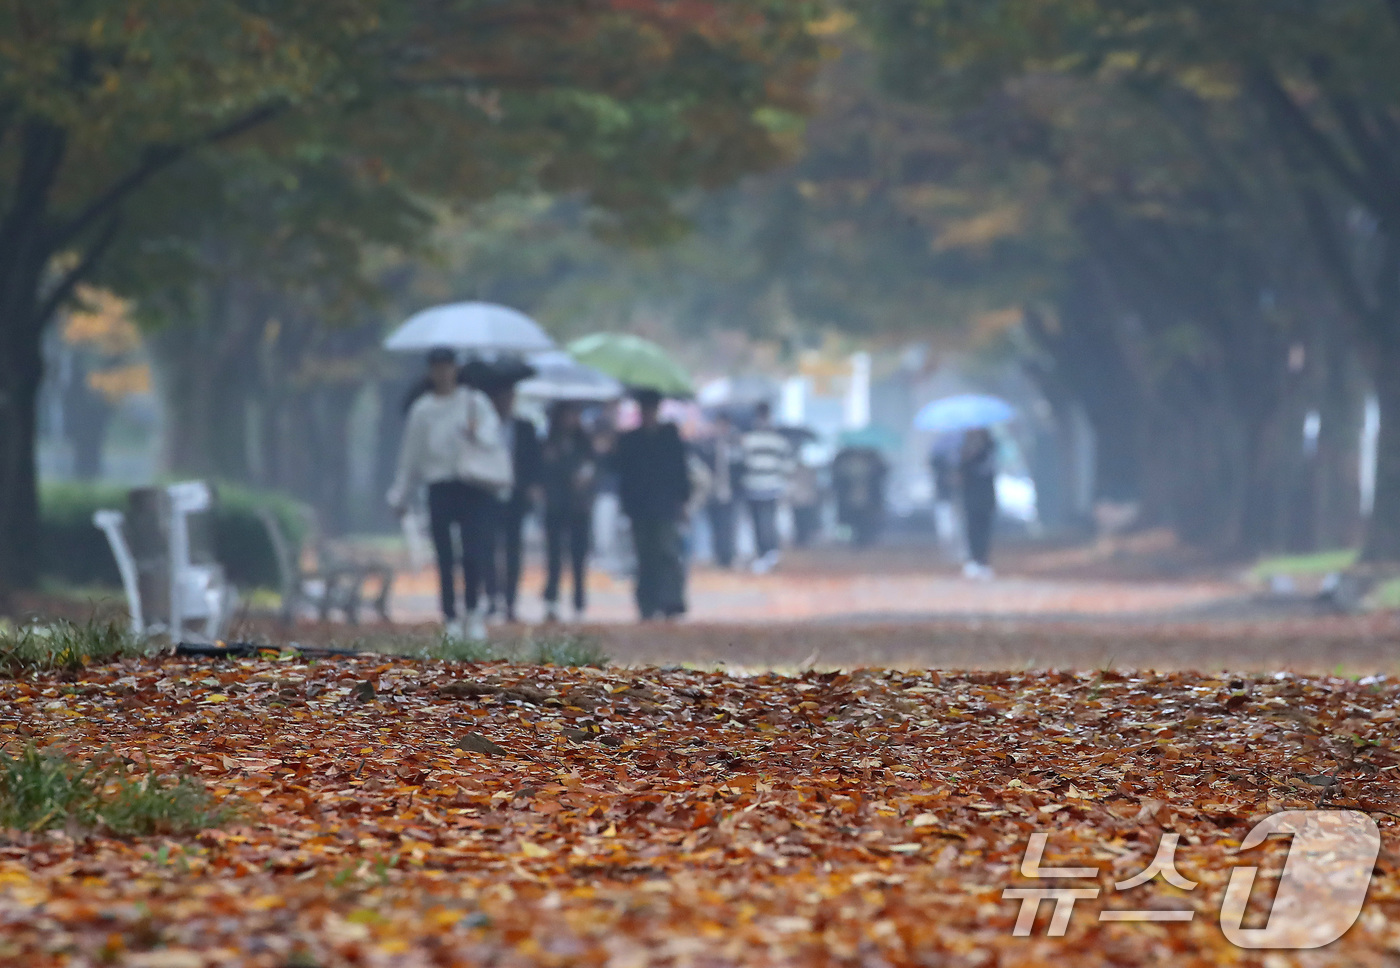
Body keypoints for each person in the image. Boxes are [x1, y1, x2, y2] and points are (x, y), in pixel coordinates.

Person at [387, 348, 511, 640]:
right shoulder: (423, 409)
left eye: (448, 366)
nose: (443, 373)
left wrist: (475, 432)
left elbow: (492, 435)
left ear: (456, 368)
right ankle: (450, 615)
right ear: (431, 371)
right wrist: (401, 495)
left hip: (472, 486)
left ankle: (472, 612)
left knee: (473, 552)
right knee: (444, 554)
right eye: (437, 367)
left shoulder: (474, 401)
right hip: (439, 487)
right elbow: (411, 457)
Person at [614, 389, 691, 620]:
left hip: (665, 505)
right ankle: (647, 603)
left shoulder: (669, 436)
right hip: (640, 506)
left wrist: (682, 500)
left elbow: (680, 471)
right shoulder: (630, 440)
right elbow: (621, 471)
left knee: (667, 552)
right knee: (644, 556)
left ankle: (670, 601)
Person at [486, 381, 542, 623]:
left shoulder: (525, 427)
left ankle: (510, 600)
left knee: (513, 550)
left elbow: (533, 461)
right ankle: (490, 597)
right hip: (488, 494)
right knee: (487, 549)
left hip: (516, 497)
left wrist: (532, 486)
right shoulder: (484, 426)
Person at [540, 402, 597, 622]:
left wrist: (586, 478)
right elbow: (543, 471)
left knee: (578, 555)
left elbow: (595, 466)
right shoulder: (549, 443)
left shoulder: (584, 442)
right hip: (555, 505)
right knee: (554, 555)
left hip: (578, 506)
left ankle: (579, 601)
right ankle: (552, 598)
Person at [740, 401, 794, 573]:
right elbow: (788, 466)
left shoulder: (747, 439)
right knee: (768, 521)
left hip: (753, 485)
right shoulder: (779, 440)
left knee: (758, 522)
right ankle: (770, 553)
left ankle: (764, 554)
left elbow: (742, 463)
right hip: (771, 485)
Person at [698, 413, 743, 568]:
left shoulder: (734, 443)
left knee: (729, 525)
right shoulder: (707, 444)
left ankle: (728, 555)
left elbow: (740, 467)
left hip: (730, 492)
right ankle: (719, 555)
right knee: (715, 525)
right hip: (712, 492)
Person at [959, 426, 998, 579]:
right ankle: (974, 560)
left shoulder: (989, 451)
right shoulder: (964, 453)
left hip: (985, 498)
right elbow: (961, 475)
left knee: (984, 531)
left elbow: (989, 471)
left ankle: (983, 560)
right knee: (972, 530)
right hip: (970, 499)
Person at [832, 445, 888, 547]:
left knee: (865, 523)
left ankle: (863, 541)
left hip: (866, 501)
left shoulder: (874, 470)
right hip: (849, 501)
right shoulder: (843, 469)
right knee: (849, 523)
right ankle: (849, 541)